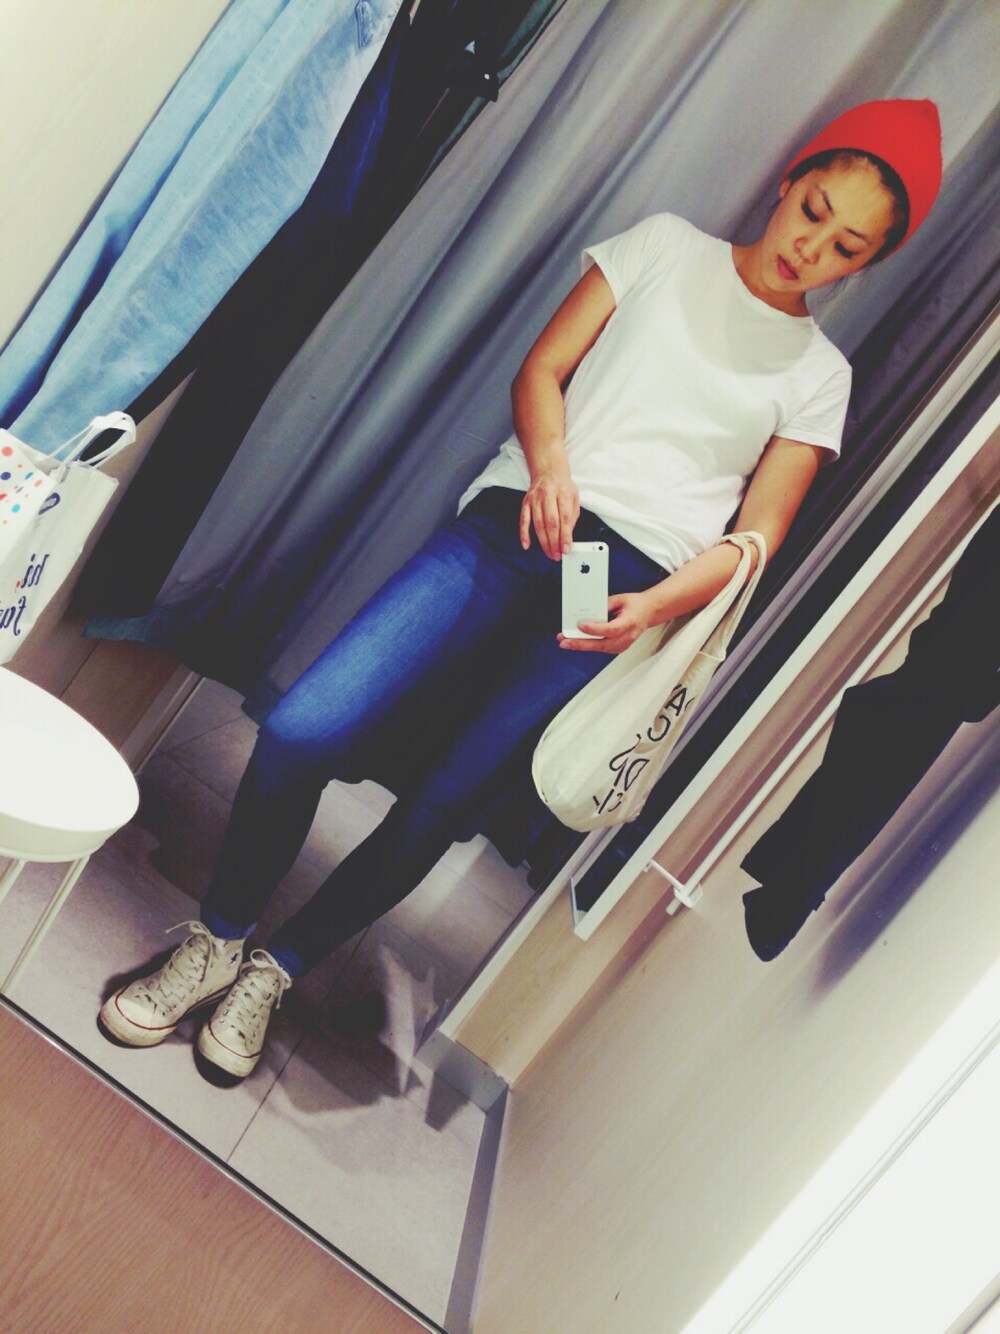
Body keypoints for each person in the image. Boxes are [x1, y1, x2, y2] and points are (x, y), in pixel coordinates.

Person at [100, 99, 943, 1078]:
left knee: (441, 803)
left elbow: (756, 536)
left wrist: (657, 606)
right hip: (517, 523)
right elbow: (544, 366)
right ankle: (217, 936)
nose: (811, 248)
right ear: (791, 181)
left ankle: (277, 968)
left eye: (846, 247)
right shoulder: (666, 247)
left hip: (615, 586)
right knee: (304, 727)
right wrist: (548, 467)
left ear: (865, 264)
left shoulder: (818, 374)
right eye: (814, 211)